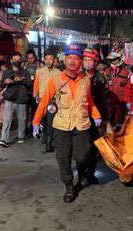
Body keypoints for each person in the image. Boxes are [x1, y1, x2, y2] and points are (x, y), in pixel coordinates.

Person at [32, 44, 102, 203]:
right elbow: (44, 102)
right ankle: (69, 186)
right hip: (62, 125)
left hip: (81, 124)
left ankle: (82, 172)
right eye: (69, 58)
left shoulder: (85, 80)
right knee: (63, 158)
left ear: (80, 62)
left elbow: (89, 102)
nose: (72, 61)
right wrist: (36, 122)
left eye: (77, 58)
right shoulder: (55, 80)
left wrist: (96, 115)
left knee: (83, 156)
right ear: (64, 59)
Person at [82, 48, 109, 185]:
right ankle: (82, 172)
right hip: (79, 117)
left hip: (95, 119)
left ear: (95, 62)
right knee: (81, 148)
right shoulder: (77, 76)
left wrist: (104, 120)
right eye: (85, 60)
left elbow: (103, 102)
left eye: (90, 60)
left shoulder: (100, 79)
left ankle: (90, 173)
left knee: (94, 147)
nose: (87, 63)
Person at [0, 52, 32, 148]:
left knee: (22, 120)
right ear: (11, 60)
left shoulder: (25, 72)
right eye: (15, 59)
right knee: (7, 120)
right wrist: (5, 82)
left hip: (21, 99)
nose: (17, 61)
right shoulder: (6, 72)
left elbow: (30, 83)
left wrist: (22, 80)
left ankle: (21, 136)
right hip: (9, 99)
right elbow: (1, 85)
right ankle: (3, 139)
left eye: (19, 59)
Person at [33, 51, 62, 152]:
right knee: (42, 120)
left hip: (52, 102)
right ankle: (43, 134)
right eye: (47, 59)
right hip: (41, 100)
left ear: (54, 60)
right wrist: (35, 95)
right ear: (44, 60)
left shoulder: (59, 73)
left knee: (50, 122)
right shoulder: (39, 71)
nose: (49, 61)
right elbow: (36, 85)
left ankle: (49, 142)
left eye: (51, 59)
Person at [104, 51, 131, 130]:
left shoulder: (126, 73)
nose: (112, 62)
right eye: (111, 60)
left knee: (120, 124)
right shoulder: (107, 72)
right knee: (109, 125)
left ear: (119, 59)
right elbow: (104, 86)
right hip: (109, 103)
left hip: (121, 103)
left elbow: (129, 89)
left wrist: (128, 102)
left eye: (114, 60)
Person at [22, 50, 40, 135]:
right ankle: (25, 128)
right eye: (28, 58)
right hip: (25, 91)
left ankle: (34, 128)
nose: (30, 59)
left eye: (32, 58)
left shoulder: (39, 65)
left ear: (35, 57)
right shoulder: (24, 65)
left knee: (35, 111)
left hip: (36, 92)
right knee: (24, 111)